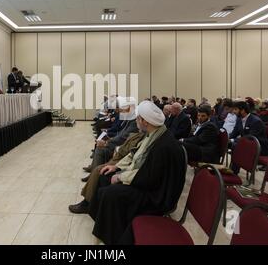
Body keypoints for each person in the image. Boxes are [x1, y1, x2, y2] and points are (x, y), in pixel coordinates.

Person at [88, 101, 187, 245]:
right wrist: (116, 167)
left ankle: (113, 238)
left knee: (111, 194)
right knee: (104, 177)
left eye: (138, 118)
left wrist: (121, 177)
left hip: (157, 196)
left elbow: (148, 178)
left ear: (144, 121)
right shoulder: (153, 134)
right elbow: (135, 154)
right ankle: (107, 227)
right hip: (148, 181)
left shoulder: (162, 146)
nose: (136, 121)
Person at [69, 131, 146, 214]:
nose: (137, 119)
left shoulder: (139, 130)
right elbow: (120, 134)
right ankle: (89, 199)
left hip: (122, 159)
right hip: (120, 153)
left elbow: (126, 147)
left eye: (139, 118)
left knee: (99, 170)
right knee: (99, 151)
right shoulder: (140, 129)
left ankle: (87, 203)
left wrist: (108, 144)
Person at [85, 97, 138, 173]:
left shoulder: (133, 121)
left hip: (121, 145)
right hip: (117, 139)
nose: (121, 109)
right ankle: (93, 168)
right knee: (100, 135)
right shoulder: (129, 117)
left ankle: (94, 172)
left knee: (100, 148)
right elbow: (121, 132)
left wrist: (108, 141)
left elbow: (122, 136)